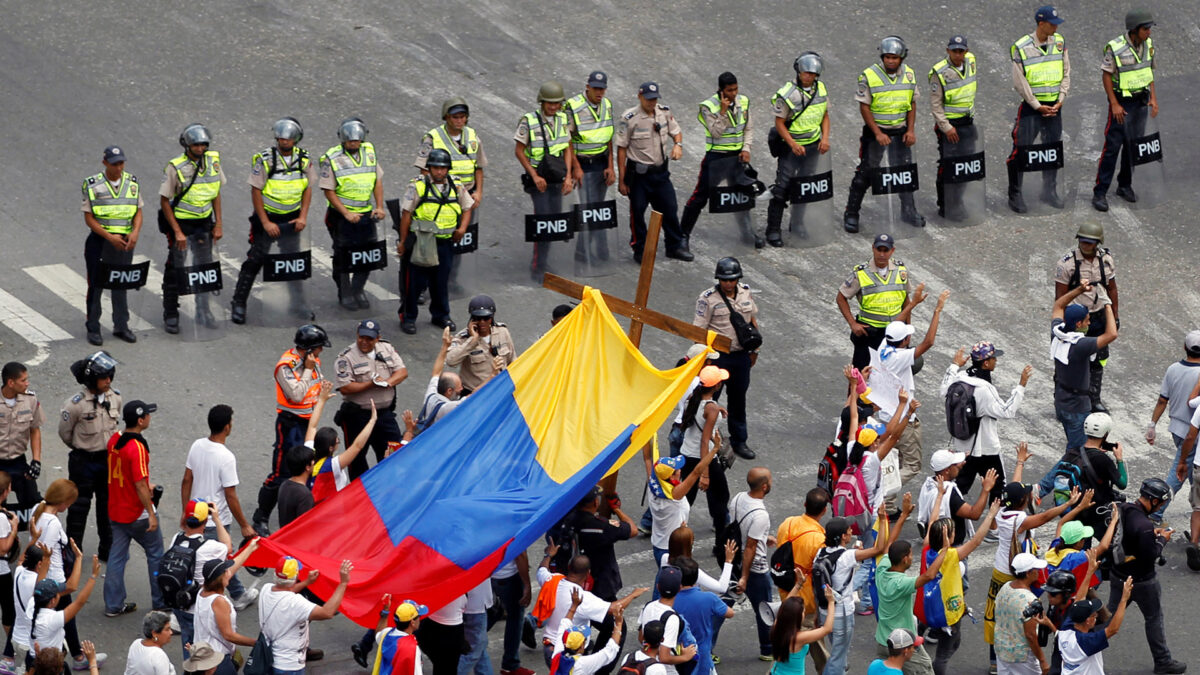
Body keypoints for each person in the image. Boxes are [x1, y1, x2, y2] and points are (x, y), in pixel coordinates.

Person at [232, 117, 317, 324]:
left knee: (292, 262)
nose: (284, 142)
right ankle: (239, 302)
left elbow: (307, 189)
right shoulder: (265, 159)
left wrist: (302, 216)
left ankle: (298, 303)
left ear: (296, 139)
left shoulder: (304, 160)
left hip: (292, 220)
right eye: (280, 138)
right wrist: (265, 223)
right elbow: (256, 191)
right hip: (267, 219)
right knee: (255, 260)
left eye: (288, 139)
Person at [986, 481, 1078, 672]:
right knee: (1024, 614)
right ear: (1022, 500)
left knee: (998, 615)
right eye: (1026, 494)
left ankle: (995, 660)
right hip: (1012, 572)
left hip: (999, 570)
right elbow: (1044, 517)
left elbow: (1013, 489)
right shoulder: (1019, 520)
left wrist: (1019, 463)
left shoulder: (1003, 512)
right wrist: (1068, 504)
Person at [843, 35, 924, 232]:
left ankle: (908, 210)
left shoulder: (910, 75)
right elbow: (864, 107)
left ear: (902, 58)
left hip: (900, 131)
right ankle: (852, 212)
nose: (890, 60)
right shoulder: (868, 76)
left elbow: (912, 104)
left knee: (903, 173)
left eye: (894, 58)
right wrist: (878, 133)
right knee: (866, 173)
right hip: (875, 133)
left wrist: (911, 129)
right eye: (887, 57)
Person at [254, 324, 328, 535]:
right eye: (319, 347)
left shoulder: (312, 361)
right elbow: (295, 395)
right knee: (281, 473)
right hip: (289, 424)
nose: (321, 352)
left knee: (307, 467)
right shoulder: (285, 367)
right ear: (309, 349)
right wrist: (307, 370)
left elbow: (313, 388)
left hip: (308, 423)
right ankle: (261, 516)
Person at [180, 404, 256, 608]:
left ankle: (237, 593)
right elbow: (230, 495)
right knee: (221, 561)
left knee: (202, 560)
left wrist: (184, 510)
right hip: (216, 518)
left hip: (196, 515)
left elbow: (187, 480)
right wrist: (244, 525)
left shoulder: (197, 445)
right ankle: (236, 595)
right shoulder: (226, 457)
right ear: (227, 427)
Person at [1106, 479, 1186, 673]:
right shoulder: (1143, 525)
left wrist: (1152, 535)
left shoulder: (1124, 509)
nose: (1162, 506)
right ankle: (1163, 661)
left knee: (1107, 617)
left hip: (1118, 575)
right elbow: (1151, 555)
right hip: (1142, 581)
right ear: (1154, 501)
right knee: (1153, 617)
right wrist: (1161, 540)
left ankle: (1082, 648)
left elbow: (1129, 537)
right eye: (1162, 503)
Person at [532, 543, 647, 669]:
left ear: (569, 567)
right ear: (588, 574)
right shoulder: (582, 598)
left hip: (550, 648)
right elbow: (614, 608)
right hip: (568, 652)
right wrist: (633, 595)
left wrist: (548, 555)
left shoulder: (551, 580)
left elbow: (541, 570)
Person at [873, 293, 948, 487]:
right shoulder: (900, 357)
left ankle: (886, 504)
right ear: (905, 341)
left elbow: (894, 324)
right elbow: (928, 342)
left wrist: (912, 305)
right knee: (912, 465)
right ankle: (885, 490)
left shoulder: (884, 347)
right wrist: (937, 310)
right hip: (903, 418)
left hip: (886, 415)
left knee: (891, 460)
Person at [396, 150, 474, 334]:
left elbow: (467, 207)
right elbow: (406, 214)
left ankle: (441, 315)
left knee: (440, 281)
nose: (439, 172)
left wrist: (462, 228)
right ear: (429, 168)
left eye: (443, 168)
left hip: (445, 243)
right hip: (421, 242)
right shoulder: (418, 186)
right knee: (414, 283)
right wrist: (403, 241)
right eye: (435, 168)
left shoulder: (456, 185)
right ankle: (408, 317)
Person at [941, 343, 1032, 499]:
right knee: (998, 489)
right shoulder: (984, 389)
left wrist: (955, 365)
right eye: (993, 358)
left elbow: (943, 390)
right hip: (986, 449)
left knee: (958, 489)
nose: (996, 361)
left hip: (962, 448)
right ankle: (996, 523)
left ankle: (946, 517)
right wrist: (1021, 385)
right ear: (986, 363)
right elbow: (1007, 411)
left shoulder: (959, 378)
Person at [680, 72, 759, 248]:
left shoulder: (743, 101)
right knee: (700, 198)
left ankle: (747, 233)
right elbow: (716, 132)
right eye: (729, 90)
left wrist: (746, 148)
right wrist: (723, 112)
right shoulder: (708, 107)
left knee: (741, 195)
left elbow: (749, 128)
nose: (734, 94)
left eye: (736, 89)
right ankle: (683, 236)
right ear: (721, 90)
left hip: (737, 158)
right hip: (716, 159)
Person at [415, 97, 485, 295]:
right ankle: (423, 287)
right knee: (432, 242)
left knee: (459, 238)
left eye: (463, 117)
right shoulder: (432, 138)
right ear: (446, 117)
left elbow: (478, 167)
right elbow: (423, 169)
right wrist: (434, 193)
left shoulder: (472, 136)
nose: (459, 121)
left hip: (465, 195)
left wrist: (478, 192)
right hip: (441, 195)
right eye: (455, 117)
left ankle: (450, 280)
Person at [159, 123, 224, 334]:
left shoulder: (213, 161)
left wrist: (218, 224)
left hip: (204, 223)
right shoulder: (175, 166)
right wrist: (177, 232)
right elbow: (165, 201)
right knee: (175, 270)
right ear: (187, 145)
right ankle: (171, 313)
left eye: (203, 144)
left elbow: (215, 193)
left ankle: (203, 311)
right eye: (196, 145)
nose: (200, 148)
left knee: (204, 270)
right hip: (181, 224)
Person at [615, 82, 690, 263]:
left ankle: (674, 246)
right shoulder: (628, 118)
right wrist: (622, 180)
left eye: (654, 99)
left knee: (669, 208)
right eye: (648, 99)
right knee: (638, 212)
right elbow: (621, 149)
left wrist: (678, 145)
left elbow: (676, 131)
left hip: (660, 173)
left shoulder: (663, 112)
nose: (651, 102)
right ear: (640, 97)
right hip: (639, 176)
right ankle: (640, 249)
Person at [693, 257, 759, 459]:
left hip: (740, 356)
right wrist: (704, 359)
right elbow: (699, 330)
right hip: (718, 357)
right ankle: (700, 438)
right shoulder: (708, 299)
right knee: (708, 399)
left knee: (738, 400)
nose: (728, 283)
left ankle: (739, 441)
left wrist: (754, 351)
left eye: (731, 280)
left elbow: (752, 321)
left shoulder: (745, 293)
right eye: (724, 280)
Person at [1006, 5, 1071, 212]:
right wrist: (1036, 105)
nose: (1056, 27)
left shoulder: (1059, 42)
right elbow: (1020, 82)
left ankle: (1049, 191)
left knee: (1051, 151)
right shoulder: (1021, 47)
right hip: (1032, 108)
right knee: (1021, 150)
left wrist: (1061, 99)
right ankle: (1015, 193)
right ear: (1041, 24)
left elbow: (1066, 72)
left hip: (1054, 107)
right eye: (1052, 24)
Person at [1092, 10, 1157, 212]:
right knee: (1112, 148)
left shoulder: (1148, 46)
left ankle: (1124, 184)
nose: (1149, 32)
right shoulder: (1116, 48)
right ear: (1135, 30)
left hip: (1141, 101)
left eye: (1149, 29)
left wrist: (1153, 98)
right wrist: (1114, 103)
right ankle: (1100, 192)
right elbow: (1106, 75)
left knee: (1133, 146)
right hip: (1122, 103)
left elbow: (1149, 72)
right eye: (1145, 29)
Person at [817, 509, 896, 675]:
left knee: (838, 651)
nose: (852, 531)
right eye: (849, 530)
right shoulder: (847, 557)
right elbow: (879, 549)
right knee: (838, 657)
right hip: (842, 613)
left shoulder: (821, 552)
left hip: (826, 611)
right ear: (843, 537)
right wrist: (882, 520)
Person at [104, 400, 164, 616]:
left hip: (116, 509)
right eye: (148, 415)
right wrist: (151, 513)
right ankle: (160, 602)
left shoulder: (115, 439)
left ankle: (113, 604)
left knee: (117, 557)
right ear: (141, 420)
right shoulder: (137, 447)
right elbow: (139, 484)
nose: (150, 417)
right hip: (136, 512)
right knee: (156, 554)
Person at [60, 351, 121, 561]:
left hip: (107, 461)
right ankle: (72, 554)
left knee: (107, 507)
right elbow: (65, 433)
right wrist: (82, 447)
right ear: (92, 380)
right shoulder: (75, 405)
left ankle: (108, 550)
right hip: (83, 462)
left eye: (110, 376)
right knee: (78, 509)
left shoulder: (116, 398)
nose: (108, 381)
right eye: (104, 378)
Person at [81, 144, 144, 345]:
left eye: (121, 163)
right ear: (105, 163)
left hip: (124, 243)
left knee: (120, 284)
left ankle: (121, 326)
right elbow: (89, 218)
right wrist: (109, 237)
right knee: (96, 286)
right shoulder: (92, 185)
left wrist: (134, 233)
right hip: (101, 243)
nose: (119, 167)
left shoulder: (132, 182)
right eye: (115, 164)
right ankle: (93, 327)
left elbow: (138, 212)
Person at [321, 117, 386, 309]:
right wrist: (346, 213)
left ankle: (358, 289)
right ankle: (345, 292)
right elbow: (328, 190)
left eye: (357, 140)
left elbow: (377, 181)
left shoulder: (370, 151)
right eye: (350, 141)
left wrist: (379, 206)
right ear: (343, 139)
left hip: (365, 213)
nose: (354, 143)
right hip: (340, 216)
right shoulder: (331, 158)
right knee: (342, 256)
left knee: (368, 255)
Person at [1054, 222, 1118, 412]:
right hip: (1076, 317)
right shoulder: (1067, 264)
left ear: (1098, 242)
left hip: (1098, 316)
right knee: (1068, 359)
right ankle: (1062, 399)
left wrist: (1114, 316)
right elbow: (1060, 297)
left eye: (1090, 242)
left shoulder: (1105, 261)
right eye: (1082, 240)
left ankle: (1094, 398)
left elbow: (1112, 288)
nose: (1085, 245)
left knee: (1099, 359)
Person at [767, 51, 830, 246]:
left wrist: (825, 138)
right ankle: (773, 229)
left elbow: (825, 115)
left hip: (812, 146)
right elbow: (779, 123)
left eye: (812, 74)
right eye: (805, 73)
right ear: (798, 72)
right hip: (791, 148)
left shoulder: (820, 90)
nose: (808, 76)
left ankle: (798, 223)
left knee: (805, 187)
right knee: (781, 188)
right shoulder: (787, 94)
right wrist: (793, 144)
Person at [515, 81, 576, 280]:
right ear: (541, 102)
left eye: (556, 103)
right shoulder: (528, 121)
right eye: (549, 103)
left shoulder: (562, 119)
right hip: (538, 181)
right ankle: (537, 267)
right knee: (542, 221)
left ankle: (545, 261)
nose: (553, 106)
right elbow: (519, 151)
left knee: (554, 220)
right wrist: (534, 175)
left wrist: (568, 176)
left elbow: (567, 147)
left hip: (557, 179)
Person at [333, 319, 407, 479]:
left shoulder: (386, 348)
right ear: (357, 335)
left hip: (384, 415)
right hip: (358, 417)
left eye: (369, 339)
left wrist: (387, 383)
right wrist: (371, 384)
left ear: (378, 338)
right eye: (361, 337)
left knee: (393, 454)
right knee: (356, 460)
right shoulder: (346, 358)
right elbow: (345, 388)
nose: (364, 342)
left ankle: (388, 489)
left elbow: (402, 372)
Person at [837, 234, 918, 370]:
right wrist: (853, 324)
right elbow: (841, 298)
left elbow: (905, 301)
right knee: (861, 376)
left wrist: (907, 329)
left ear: (892, 251)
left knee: (894, 374)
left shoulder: (901, 271)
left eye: (885, 250)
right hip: (869, 333)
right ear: (873, 248)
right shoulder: (861, 273)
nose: (882, 254)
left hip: (895, 333)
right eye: (878, 250)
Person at [1051, 282, 1116, 449]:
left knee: (1076, 446)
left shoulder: (1057, 333)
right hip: (1077, 407)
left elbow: (1059, 305)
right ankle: (1059, 475)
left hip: (1061, 401)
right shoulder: (1080, 345)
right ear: (1078, 324)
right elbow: (1111, 334)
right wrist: (1107, 305)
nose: (1089, 324)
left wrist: (1079, 290)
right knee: (1077, 451)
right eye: (1087, 321)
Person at [167, 500, 234, 661]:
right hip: (195, 606)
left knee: (187, 644)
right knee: (202, 651)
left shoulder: (176, 538)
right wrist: (217, 518)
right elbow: (228, 546)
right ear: (205, 521)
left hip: (178, 602)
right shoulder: (210, 547)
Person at [260, 557, 351, 673]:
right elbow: (327, 612)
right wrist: (343, 583)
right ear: (295, 577)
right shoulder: (296, 603)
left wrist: (307, 582)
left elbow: (286, 590)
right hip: (289, 665)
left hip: (269, 657)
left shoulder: (266, 589)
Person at [1037, 413, 1126, 531]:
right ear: (1105, 434)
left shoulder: (1071, 453)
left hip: (1073, 513)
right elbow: (1122, 483)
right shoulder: (1102, 459)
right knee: (1111, 545)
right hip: (1094, 514)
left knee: (1079, 547)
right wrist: (1119, 459)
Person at [875, 536, 948, 675]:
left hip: (883, 641)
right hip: (902, 645)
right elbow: (929, 576)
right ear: (904, 559)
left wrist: (901, 517)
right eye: (911, 554)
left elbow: (888, 544)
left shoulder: (881, 570)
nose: (912, 557)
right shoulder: (900, 583)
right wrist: (944, 550)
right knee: (925, 669)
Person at [776, 487, 830, 667]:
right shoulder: (819, 538)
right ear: (824, 510)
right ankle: (828, 668)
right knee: (805, 633)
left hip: (786, 589)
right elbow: (820, 573)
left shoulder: (788, 523)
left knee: (790, 635)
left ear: (805, 504)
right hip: (806, 598)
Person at [675, 365, 730, 538]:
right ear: (716, 386)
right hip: (702, 458)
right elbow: (705, 441)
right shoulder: (711, 408)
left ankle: (675, 534)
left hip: (686, 454)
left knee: (686, 499)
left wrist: (717, 409)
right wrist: (704, 474)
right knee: (721, 496)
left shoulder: (694, 398)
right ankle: (720, 542)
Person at [1150, 330, 1200, 518]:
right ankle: (1156, 511)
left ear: (1185, 347)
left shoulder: (1173, 369)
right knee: (1179, 472)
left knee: (1192, 470)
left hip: (1176, 429)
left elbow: (1163, 400)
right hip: (1193, 433)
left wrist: (1152, 425)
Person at [566, 72, 615, 262]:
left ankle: (598, 249)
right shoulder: (573, 106)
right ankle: (583, 252)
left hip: (601, 162)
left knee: (599, 207)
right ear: (587, 87)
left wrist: (611, 166)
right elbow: (567, 140)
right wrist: (575, 167)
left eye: (602, 88)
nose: (599, 92)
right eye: (595, 88)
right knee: (589, 208)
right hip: (583, 164)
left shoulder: (607, 105)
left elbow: (609, 136)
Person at [929, 36, 979, 221]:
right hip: (950, 126)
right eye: (954, 51)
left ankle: (957, 200)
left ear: (966, 51)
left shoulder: (971, 61)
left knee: (966, 166)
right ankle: (945, 205)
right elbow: (936, 105)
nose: (958, 54)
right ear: (948, 51)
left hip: (967, 122)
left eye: (961, 51)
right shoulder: (939, 72)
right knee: (948, 166)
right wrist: (946, 127)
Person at [193, 540, 260, 674]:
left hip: (200, 654)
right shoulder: (219, 601)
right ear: (221, 578)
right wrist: (256, 643)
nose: (230, 572)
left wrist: (251, 548)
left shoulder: (202, 591)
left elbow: (234, 566)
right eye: (226, 571)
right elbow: (228, 635)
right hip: (216, 660)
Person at [730, 467, 775, 662]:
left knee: (724, 602)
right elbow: (750, 547)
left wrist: (764, 537)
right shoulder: (761, 515)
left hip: (732, 559)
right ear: (764, 486)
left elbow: (737, 526)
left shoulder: (739, 497)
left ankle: (707, 643)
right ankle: (767, 648)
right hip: (754, 568)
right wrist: (745, 577)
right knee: (764, 609)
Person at [27, 557, 101, 672]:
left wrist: (46, 559)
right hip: (50, 667)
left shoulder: (32, 604)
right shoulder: (51, 619)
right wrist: (93, 576)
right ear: (52, 601)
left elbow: (39, 585)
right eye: (58, 594)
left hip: (34, 662)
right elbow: (79, 602)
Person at [646, 452, 714, 573]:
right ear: (671, 477)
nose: (680, 470)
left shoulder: (653, 484)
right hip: (674, 550)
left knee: (663, 581)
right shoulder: (675, 496)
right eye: (677, 470)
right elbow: (696, 472)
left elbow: (648, 459)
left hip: (658, 545)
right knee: (674, 585)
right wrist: (714, 449)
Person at [916, 450, 995, 546]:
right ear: (947, 470)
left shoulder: (928, 484)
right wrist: (986, 490)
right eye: (955, 464)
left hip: (936, 540)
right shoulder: (949, 495)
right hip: (952, 546)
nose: (960, 465)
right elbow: (974, 513)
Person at [0, 361, 45, 527]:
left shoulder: (30, 400)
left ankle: (36, 546)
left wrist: (36, 460)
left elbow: (35, 430)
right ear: (10, 383)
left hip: (18, 461)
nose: (27, 383)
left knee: (34, 506)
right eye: (23, 380)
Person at [671, 557, 732, 675]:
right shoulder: (709, 598)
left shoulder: (668, 600)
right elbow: (730, 613)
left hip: (675, 654)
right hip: (701, 656)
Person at [993, 553, 1050, 675]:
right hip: (1022, 656)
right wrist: (1042, 660)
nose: (1039, 571)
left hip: (1001, 649)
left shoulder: (1005, 588)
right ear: (1028, 573)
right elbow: (1030, 635)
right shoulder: (1030, 601)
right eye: (1035, 569)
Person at [1059, 583, 1135, 675]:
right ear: (1087, 620)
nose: (1097, 616)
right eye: (1094, 615)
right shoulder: (1085, 642)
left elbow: (1078, 599)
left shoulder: (1065, 630)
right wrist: (1124, 599)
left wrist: (1090, 571)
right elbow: (1113, 629)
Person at [446, 296, 516, 395]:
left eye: (486, 318)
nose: (482, 322)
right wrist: (473, 340)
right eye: (478, 318)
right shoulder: (463, 338)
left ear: (492, 318)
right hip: (475, 393)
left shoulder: (502, 332)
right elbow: (450, 361)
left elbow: (512, 360)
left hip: (500, 389)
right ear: (472, 318)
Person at [637, 566, 697, 675]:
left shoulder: (648, 606)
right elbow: (664, 657)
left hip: (647, 665)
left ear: (658, 587)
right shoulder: (672, 618)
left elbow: (641, 638)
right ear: (679, 588)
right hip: (665, 670)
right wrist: (685, 657)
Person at [548, 590, 624, 675]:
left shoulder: (558, 654)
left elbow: (564, 624)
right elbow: (610, 651)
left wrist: (574, 606)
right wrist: (619, 623)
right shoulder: (582, 664)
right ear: (582, 646)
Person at [769, 583, 835, 675]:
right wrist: (831, 602)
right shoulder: (799, 638)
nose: (805, 612)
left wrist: (798, 584)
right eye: (803, 611)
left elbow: (784, 606)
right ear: (797, 617)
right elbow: (827, 629)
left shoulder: (777, 626)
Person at [417, 328, 464, 430]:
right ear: (449, 391)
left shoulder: (431, 396)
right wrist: (492, 376)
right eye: (459, 389)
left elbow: (436, 372)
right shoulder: (447, 408)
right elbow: (473, 396)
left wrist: (445, 347)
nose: (461, 390)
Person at [123, 610, 174, 675]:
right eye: (167, 629)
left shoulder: (136, 643)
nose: (171, 632)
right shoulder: (159, 656)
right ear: (154, 633)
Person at [277, 444, 315, 529]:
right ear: (307, 467)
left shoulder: (284, 485)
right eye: (313, 462)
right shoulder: (305, 495)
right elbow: (305, 526)